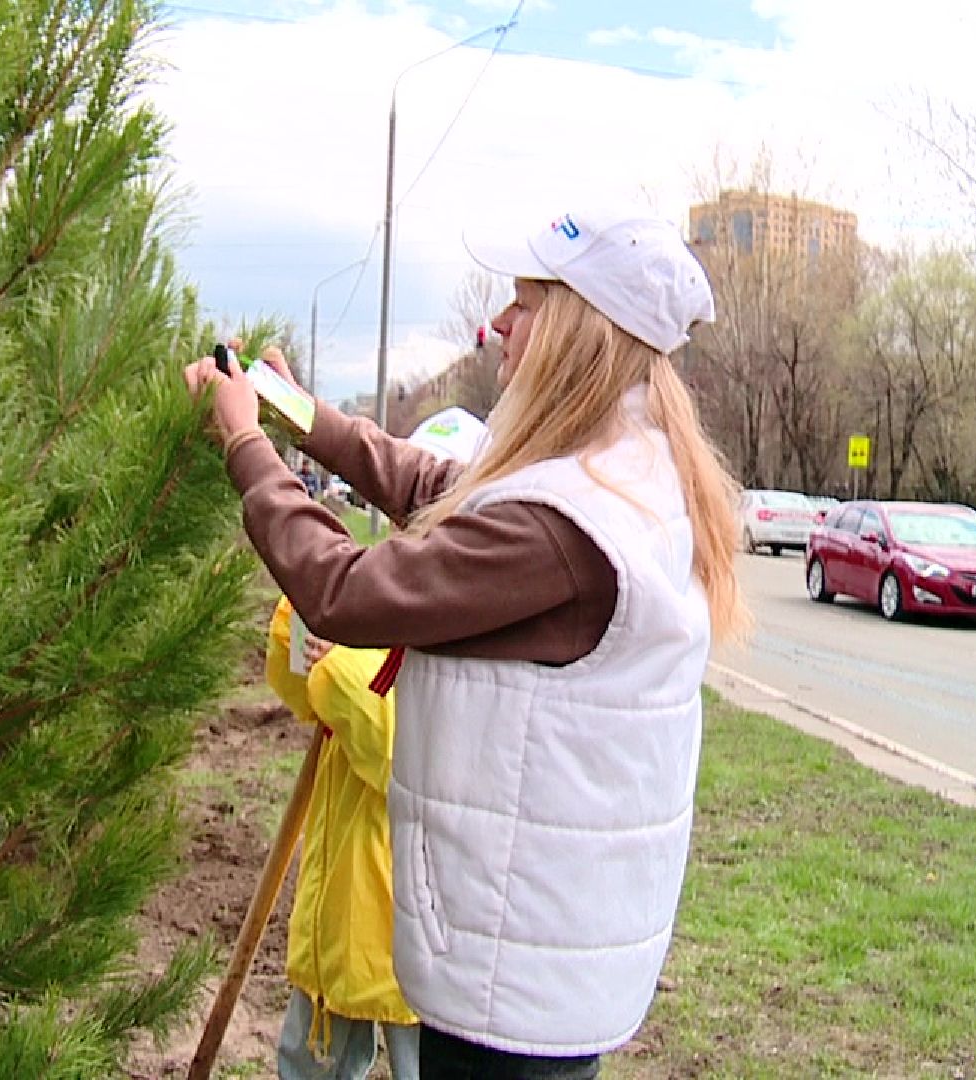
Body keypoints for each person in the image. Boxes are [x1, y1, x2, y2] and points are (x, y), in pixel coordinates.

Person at [183, 208, 749, 1080]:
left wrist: (247, 447)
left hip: (513, 976)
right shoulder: (614, 466)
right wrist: (298, 412)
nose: (500, 326)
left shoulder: (564, 525)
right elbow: (442, 487)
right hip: (544, 941)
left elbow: (345, 593)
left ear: (578, 332)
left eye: (526, 305)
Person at [261, 598, 418, 1080]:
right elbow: (305, 689)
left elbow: (402, 755)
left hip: (414, 924)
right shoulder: (382, 591)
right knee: (310, 1062)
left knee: (427, 1063)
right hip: (341, 914)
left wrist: (337, 663)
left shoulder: (457, 627)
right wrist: (305, 619)